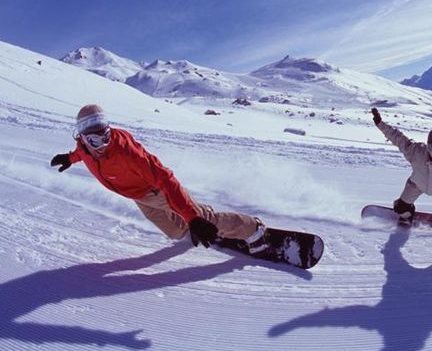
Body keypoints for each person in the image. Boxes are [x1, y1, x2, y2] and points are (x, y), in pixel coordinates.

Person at [50, 104, 269, 254]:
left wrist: (193, 218)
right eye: (95, 140)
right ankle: (196, 217)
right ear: (83, 138)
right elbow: (84, 154)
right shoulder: (85, 149)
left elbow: (165, 179)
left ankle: (253, 229)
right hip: (138, 196)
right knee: (175, 231)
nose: (102, 143)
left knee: (200, 218)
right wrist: (69, 158)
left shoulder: (128, 154)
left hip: (157, 191)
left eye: (105, 135)